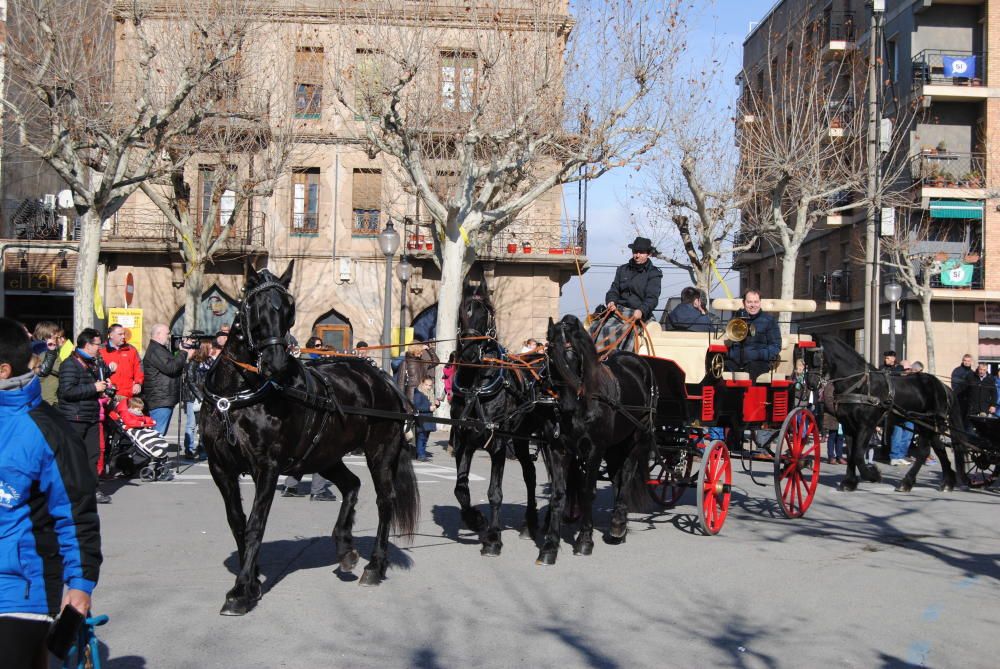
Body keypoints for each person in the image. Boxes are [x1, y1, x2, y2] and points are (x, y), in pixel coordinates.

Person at [0, 317, 102, 668]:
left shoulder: (48, 429)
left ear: (2, 370)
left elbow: (76, 513)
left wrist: (80, 585)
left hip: (19, 594)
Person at [57, 329, 113, 505]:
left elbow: (92, 387)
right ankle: (68, 492)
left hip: (91, 416)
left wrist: (105, 389)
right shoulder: (70, 364)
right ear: (87, 345)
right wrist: (93, 388)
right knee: (73, 457)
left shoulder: (91, 363)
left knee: (93, 455)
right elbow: (66, 392)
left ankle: (92, 490)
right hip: (75, 418)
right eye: (98, 344)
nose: (100, 348)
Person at [600, 236, 663, 351]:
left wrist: (642, 310)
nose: (637, 255)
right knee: (595, 328)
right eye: (635, 252)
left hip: (639, 314)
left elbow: (652, 298)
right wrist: (611, 301)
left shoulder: (654, 273)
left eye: (641, 252)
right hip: (618, 312)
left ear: (648, 254)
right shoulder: (622, 269)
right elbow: (614, 289)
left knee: (625, 333)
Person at [142, 323, 194, 436]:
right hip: (160, 400)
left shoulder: (161, 349)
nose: (169, 336)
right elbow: (171, 368)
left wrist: (185, 357)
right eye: (167, 333)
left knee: (159, 433)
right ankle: (153, 453)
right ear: (159, 334)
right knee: (157, 435)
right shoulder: (156, 350)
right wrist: (183, 351)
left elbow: (173, 366)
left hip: (164, 398)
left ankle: (155, 452)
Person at [724, 289, 781, 379]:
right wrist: (733, 354)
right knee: (719, 370)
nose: (753, 305)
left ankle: (743, 393)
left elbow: (776, 346)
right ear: (744, 303)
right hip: (736, 360)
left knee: (750, 372)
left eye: (756, 302)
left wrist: (756, 354)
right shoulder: (735, 319)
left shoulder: (769, 321)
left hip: (759, 361)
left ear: (760, 302)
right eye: (749, 302)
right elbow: (728, 343)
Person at [181, 341, 213, 460]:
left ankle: (202, 448)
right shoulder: (194, 363)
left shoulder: (210, 362)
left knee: (203, 425)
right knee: (192, 424)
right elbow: (190, 380)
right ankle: (189, 448)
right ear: (204, 349)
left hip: (206, 396)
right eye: (209, 348)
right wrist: (200, 396)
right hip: (192, 397)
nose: (211, 350)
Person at [100, 323, 143, 401]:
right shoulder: (101, 350)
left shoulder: (131, 349)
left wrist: (138, 383)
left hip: (129, 395)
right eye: (120, 334)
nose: (123, 336)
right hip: (109, 395)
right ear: (111, 335)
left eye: (124, 334)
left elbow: (139, 367)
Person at [396, 337, 439, 402]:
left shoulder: (423, 363)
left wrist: (429, 349)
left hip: (424, 397)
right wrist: (401, 402)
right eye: (420, 351)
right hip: (411, 398)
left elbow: (436, 361)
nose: (422, 353)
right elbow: (400, 384)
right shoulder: (405, 363)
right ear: (416, 350)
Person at [32, 321, 65, 405]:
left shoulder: (38, 350)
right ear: (47, 337)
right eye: (57, 337)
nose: (62, 340)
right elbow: (62, 370)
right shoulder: (46, 352)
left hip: (46, 398)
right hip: (48, 399)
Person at [413, 376, 439, 461]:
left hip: (428, 419)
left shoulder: (430, 394)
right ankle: (421, 455)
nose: (428, 387)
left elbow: (432, 406)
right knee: (421, 437)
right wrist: (428, 408)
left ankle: (422, 453)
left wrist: (437, 404)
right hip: (422, 419)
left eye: (430, 385)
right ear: (422, 383)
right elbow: (417, 406)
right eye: (426, 385)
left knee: (425, 438)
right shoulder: (418, 393)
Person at [820, 380, 845, 464]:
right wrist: (837, 412)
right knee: (832, 437)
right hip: (832, 416)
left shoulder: (842, 383)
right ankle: (831, 457)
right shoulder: (830, 385)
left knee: (840, 437)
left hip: (841, 416)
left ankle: (839, 456)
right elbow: (828, 401)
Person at [951, 353, 976, 431]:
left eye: (968, 361)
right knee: (958, 420)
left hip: (969, 401)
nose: (967, 362)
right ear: (962, 361)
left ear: (971, 362)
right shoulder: (957, 371)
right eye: (965, 360)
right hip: (959, 399)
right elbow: (955, 385)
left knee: (967, 422)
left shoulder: (973, 372)